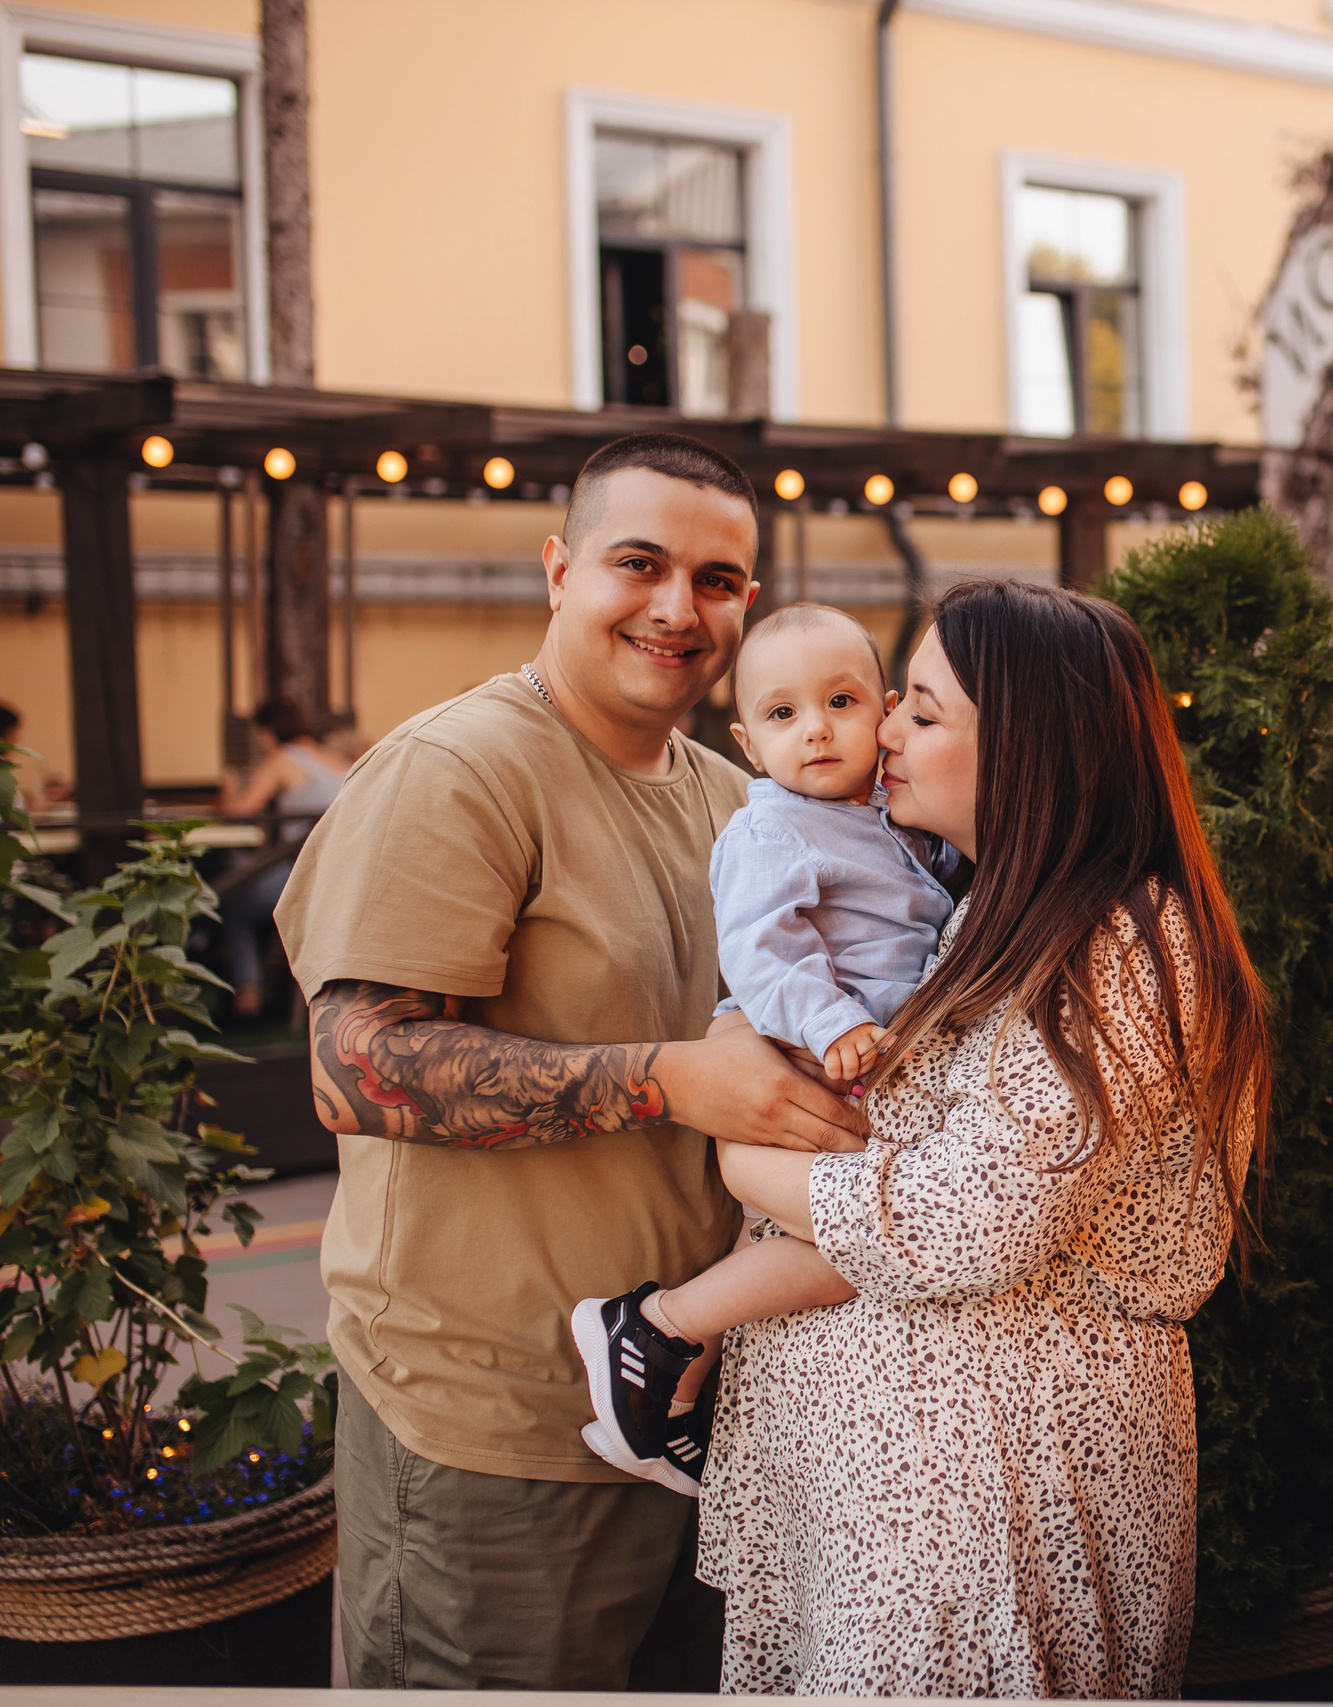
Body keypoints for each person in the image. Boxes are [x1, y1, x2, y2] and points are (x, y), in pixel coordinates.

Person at [274, 433, 866, 1692]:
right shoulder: (460, 770)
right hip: (495, 1435)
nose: (675, 607)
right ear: (558, 569)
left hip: (696, 1413)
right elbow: (353, 1067)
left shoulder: (738, 796)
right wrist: (669, 1080)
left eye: (715, 580)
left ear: (747, 603)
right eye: (636, 563)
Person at [694, 580, 1270, 1697]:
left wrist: (743, 1153)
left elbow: (961, 1223)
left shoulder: (1117, 944)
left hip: (977, 1523)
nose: (881, 733)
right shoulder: (983, 902)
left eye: (919, 708)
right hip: (903, 1505)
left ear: (1029, 745)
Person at [575, 603, 957, 1495]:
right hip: (820, 1061)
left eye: (841, 700)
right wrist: (832, 1025)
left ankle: (670, 1384)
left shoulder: (892, 817)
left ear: (887, 714)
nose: (816, 728)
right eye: (784, 715)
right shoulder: (772, 830)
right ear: (749, 743)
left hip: (871, 1066)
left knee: (837, 1247)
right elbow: (759, 953)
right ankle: (653, 1327)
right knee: (859, 1251)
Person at [215, 698, 348, 1018]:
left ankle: (246, 994)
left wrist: (228, 786)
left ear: (267, 732)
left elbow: (238, 813)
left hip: (303, 881)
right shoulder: (334, 758)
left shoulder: (283, 759)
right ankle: (266, 988)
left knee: (231, 898)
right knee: (245, 887)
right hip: (341, 880)